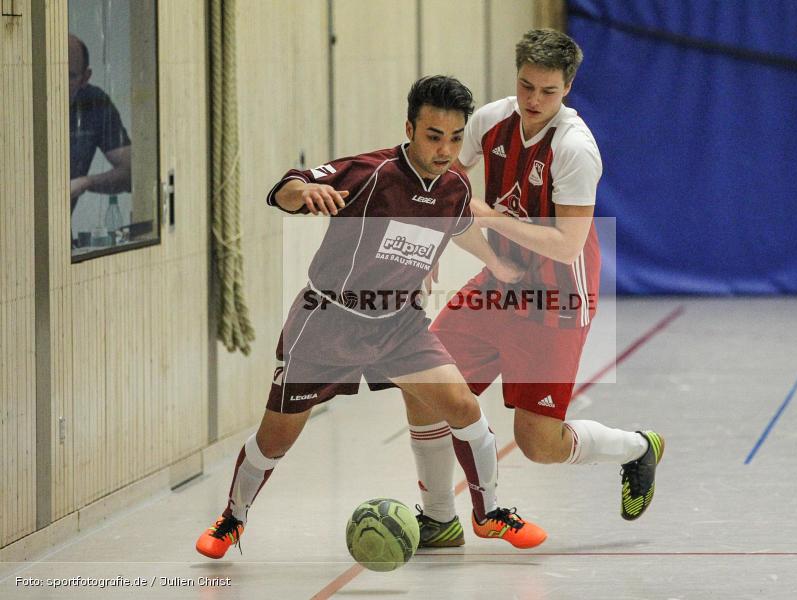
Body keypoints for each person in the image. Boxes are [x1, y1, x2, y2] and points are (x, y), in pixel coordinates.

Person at [195, 76, 547, 560]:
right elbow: (287, 188)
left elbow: (460, 224)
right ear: (409, 128)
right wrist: (304, 194)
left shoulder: (455, 186)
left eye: (455, 137)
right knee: (275, 437)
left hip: (399, 324)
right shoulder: (371, 172)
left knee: (464, 408)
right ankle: (232, 519)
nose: (445, 149)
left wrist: (501, 264)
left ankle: (488, 514)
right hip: (329, 321)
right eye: (432, 136)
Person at [404, 30, 665, 548]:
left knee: (538, 444)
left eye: (547, 91)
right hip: (499, 282)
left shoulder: (575, 148)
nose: (533, 100)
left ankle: (637, 448)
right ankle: (440, 517)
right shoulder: (490, 121)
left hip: (557, 299)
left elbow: (567, 245)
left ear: (567, 87)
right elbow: (446, 185)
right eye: (526, 86)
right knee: (423, 386)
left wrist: (489, 219)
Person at [68, 34, 132, 214]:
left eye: (69, 76)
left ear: (85, 78)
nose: (55, 84)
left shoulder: (94, 103)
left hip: (58, 229)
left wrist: (85, 182)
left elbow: (131, 173)